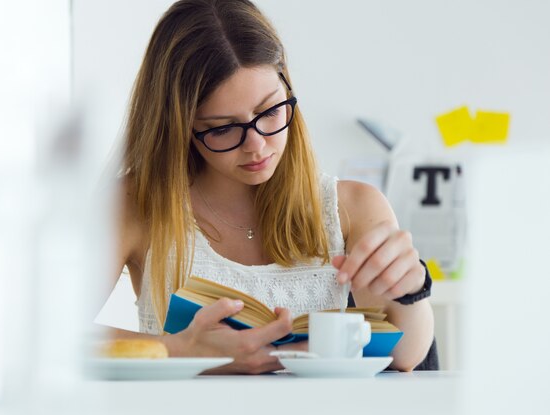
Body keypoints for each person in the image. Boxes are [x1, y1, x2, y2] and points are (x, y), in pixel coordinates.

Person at [110, 0, 434, 374]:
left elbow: (406, 356)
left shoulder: (353, 208)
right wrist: (177, 350)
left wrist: (412, 287)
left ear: (287, 89)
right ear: (181, 129)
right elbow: (52, 334)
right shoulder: (137, 203)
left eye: (270, 112)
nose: (256, 144)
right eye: (221, 128)